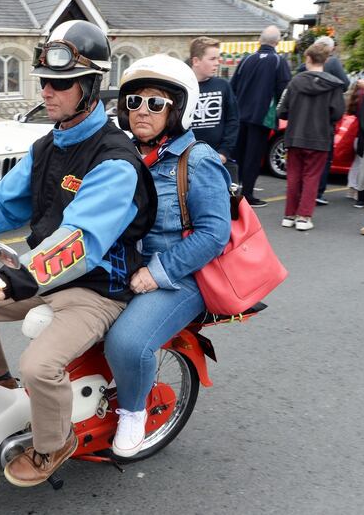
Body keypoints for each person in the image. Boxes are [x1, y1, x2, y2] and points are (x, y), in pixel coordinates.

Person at [0, 20, 157, 486]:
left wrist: (8, 282)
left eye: (61, 83)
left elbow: (81, 240)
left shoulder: (115, 161)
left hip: (95, 286)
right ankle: (3, 397)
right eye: (44, 80)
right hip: (44, 277)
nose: (48, 91)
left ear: (89, 87)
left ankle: (53, 443)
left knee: (39, 366)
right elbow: (2, 201)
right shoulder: (48, 146)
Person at [104, 54, 231, 458]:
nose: (142, 111)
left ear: (177, 109)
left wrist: (156, 272)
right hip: (123, 266)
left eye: (155, 103)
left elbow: (214, 234)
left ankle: (133, 413)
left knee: (127, 343)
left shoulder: (199, 161)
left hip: (179, 276)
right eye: (135, 102)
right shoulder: (125, 155)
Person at [276, 43, 345, 231]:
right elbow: (338, 112)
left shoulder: (295, 82)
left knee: (294, 176)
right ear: (326, 60)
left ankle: (289, 214)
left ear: (308, 59)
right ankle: (304, 216)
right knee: (311, 177)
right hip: (320, 137)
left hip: (295, 135)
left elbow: (282, 110)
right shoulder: (334, 85)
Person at [230, 25, 292, 207]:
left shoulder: (246, 60)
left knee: (239, 154)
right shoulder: (279, 61)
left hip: (240, 114)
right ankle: (247, 194)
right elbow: (284, 90)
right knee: (254, 156)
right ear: (277, 42)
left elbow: (233, 86)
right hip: (262, 116)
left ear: (260, 40)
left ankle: (235, 189)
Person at [295, 36, 350, 206]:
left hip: (302, 119)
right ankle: (317, 192)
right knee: (322, 160)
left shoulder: (303, 67)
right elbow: (346, 84)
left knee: (299, 162)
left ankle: (299, 195)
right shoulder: (333, 63)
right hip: (323, 119)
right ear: (330, 49)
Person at [188, 37, 239, 181]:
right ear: (196, 61)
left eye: (218, 58)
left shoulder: (223, 86)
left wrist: (224, 152)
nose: (217, 63)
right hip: (187, 164)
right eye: (212, 59)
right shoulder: (182, 88)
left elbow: (233, 120)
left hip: (219, 161)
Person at [348, 59, 364, 211]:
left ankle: (355, 192)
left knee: (360, 165)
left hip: (360, 133)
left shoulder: (360, 88)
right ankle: (362, 198)